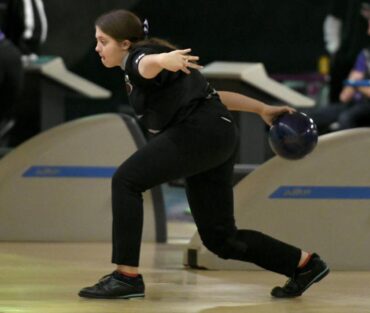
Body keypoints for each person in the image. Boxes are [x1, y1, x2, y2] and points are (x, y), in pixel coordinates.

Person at [78, 9, 329, 300]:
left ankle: (126, 276)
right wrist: (262, 108)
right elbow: (213, 96)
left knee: (126, 180)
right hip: (217, 135)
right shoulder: (148, 64)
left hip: (199, 134)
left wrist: (161, 59)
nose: (97, 48)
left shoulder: (140, 56)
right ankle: (304, 264)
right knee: (222, 239)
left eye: (102, 40)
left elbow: (144, 63)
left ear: (124, 43)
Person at [310, 3, 370, 134]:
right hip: (355, 103)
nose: (368, 31)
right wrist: (354, 85)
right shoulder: (365, 54)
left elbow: (356, 83)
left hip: (366, 106)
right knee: (312, 117)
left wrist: (357, 85)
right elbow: (344, 96)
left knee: (346, 119)